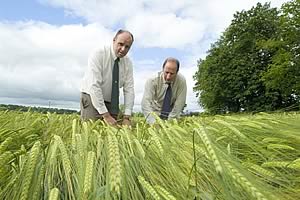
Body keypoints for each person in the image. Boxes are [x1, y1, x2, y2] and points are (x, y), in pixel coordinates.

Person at [80, 29, 134, 126]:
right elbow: (94, 85)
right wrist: (106, 115)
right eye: (120, 44)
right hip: (91, 97)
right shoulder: (98, 54)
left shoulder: (128, 63)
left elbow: (129, 89)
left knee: (117, 129)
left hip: (112, 101)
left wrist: (127, 116)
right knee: (91, 130)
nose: (123, 49)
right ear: (114, 40)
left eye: (127, 47)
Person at [141, 57, 187, 124]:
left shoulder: (181, 81)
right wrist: (153, 123)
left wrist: (170, 122)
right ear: (163, 69)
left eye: (172, 74)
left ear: (177, 72)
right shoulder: (152, 80)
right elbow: (145, 103)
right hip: (154, 111)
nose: (168, 77)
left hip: (172, 112)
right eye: (166, 72)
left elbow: (180, 103)